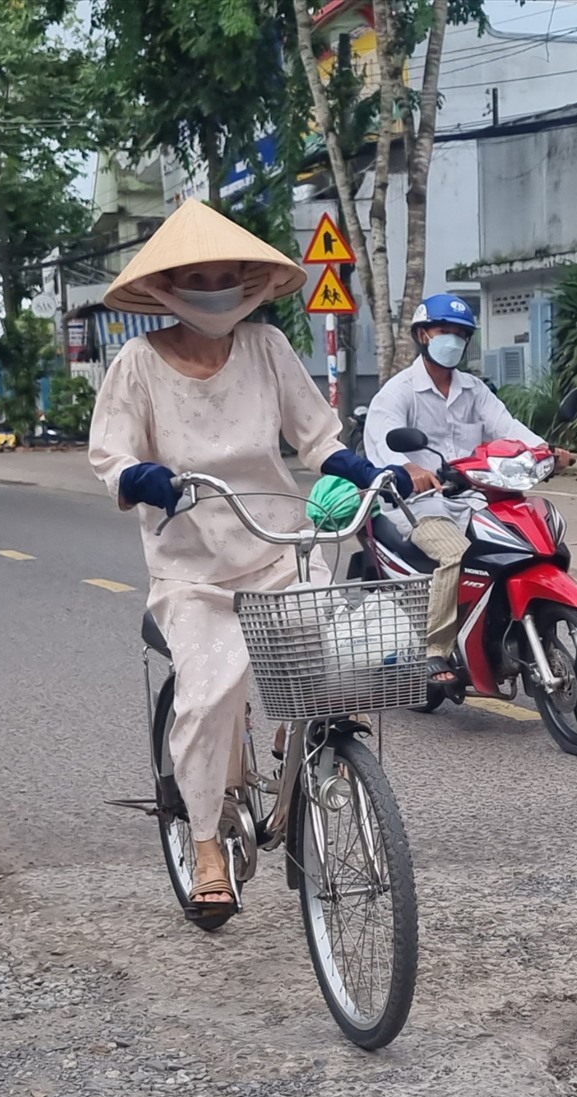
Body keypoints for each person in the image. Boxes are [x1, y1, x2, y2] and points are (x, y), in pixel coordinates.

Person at [87, 198, 412, 920]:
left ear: (249, 281)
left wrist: (361, 471)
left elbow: (315, 436)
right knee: (207, 693)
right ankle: (206, 844)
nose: (216, 285)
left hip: (279, 549)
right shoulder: (137, 364)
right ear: (169, 287)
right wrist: (138, 477)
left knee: (349, 659)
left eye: (228, 273)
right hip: (192, 567)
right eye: (199, 276)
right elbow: (111, 455)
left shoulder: (266, 346)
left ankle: (301, 743)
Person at [363, 292, 543, 688]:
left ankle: (517, 631)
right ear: (424, 334)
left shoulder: (473, 389)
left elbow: (508, 428)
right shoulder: (399, 392)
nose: (454, 341)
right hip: (418, 506)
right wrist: (408, 468)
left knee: (524, 541)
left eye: (462, 334)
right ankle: (436, 650)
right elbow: (378, 444)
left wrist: (546, 450)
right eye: (446, 331)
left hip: (474, 497)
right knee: (455, 553)